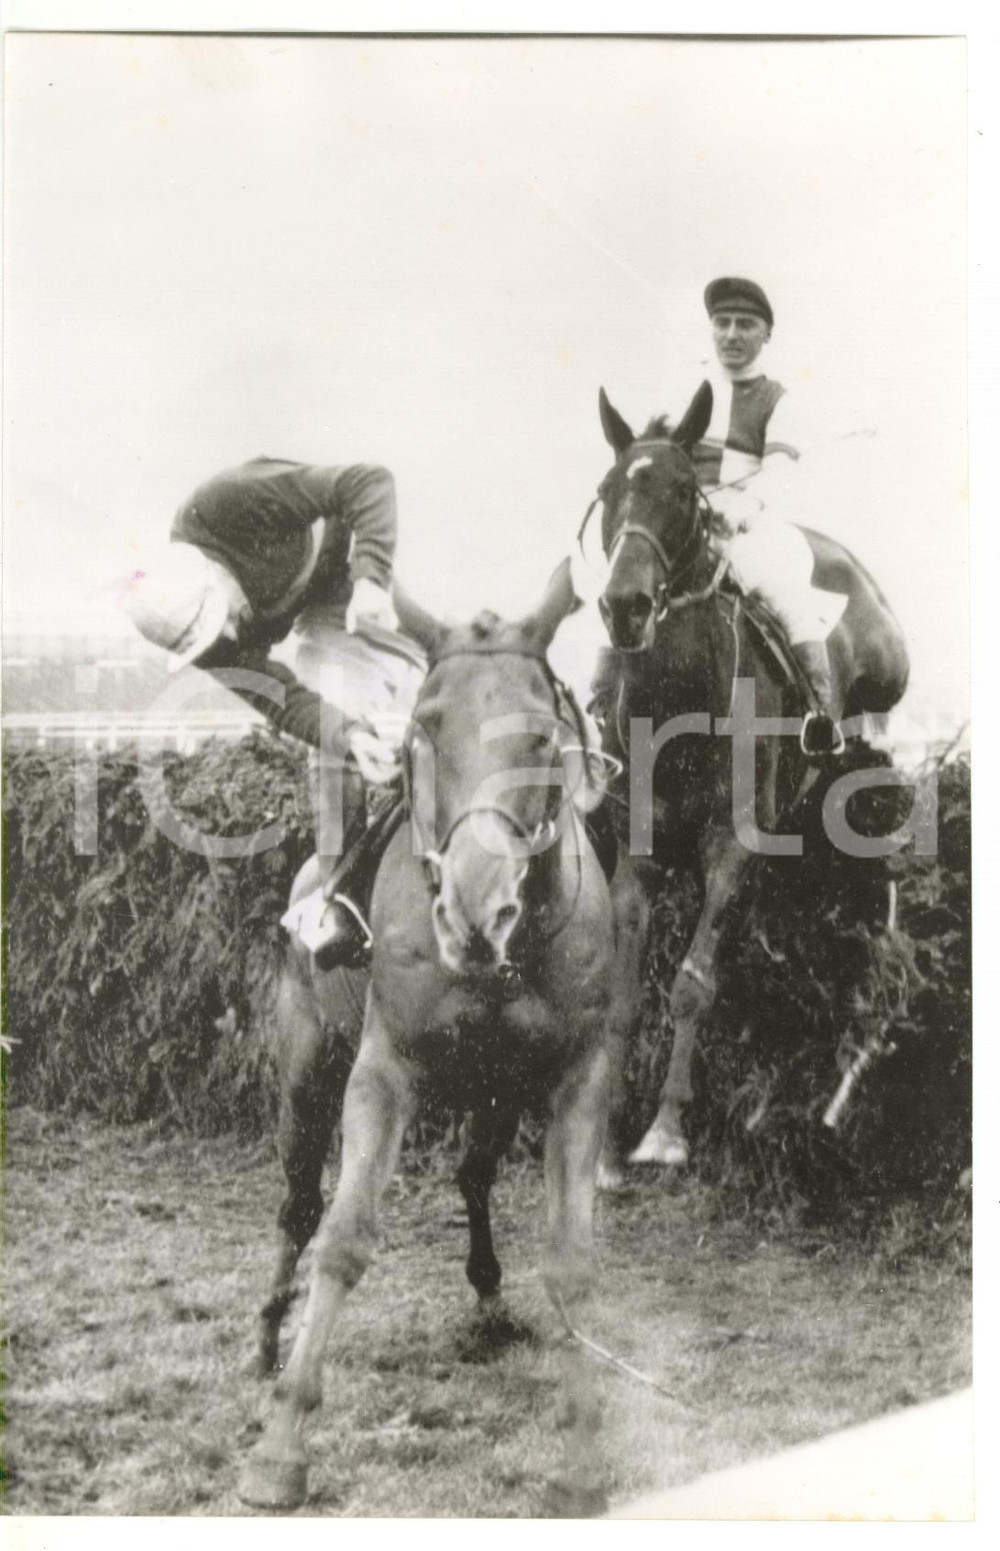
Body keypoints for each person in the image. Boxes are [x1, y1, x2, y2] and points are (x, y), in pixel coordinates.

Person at [122, 457, 425, 963]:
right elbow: (282, 699)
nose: (236, 636)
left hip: (359, 561)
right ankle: (342, 896)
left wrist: (372, 577)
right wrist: (349, 736)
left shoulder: (228, 502)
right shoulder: (205, 638)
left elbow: (367, 480)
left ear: (214, 570)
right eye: (216, 639)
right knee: (331, 711)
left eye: (225, 616)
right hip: (322, 613)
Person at [591, 277, 847, 759]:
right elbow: (653, 458)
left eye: (745, 324)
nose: (732, 333)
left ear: (765, 335)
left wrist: (742, 508)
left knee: (782, 583)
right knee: (622, 579)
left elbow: (780, 470)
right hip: (680, 518)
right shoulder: (683, 391)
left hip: (744, 520)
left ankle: (818, 710)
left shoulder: (776, 398)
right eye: (722, 323)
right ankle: (603, 697)